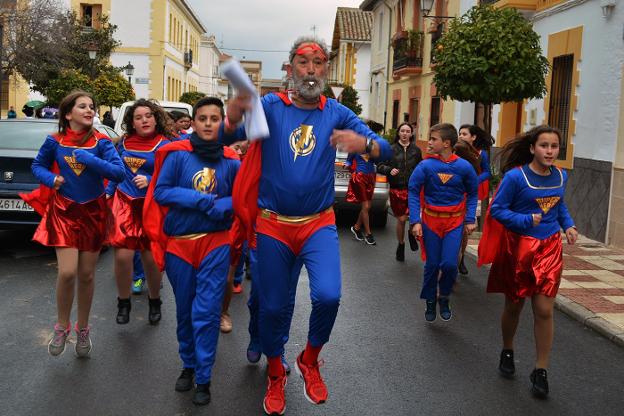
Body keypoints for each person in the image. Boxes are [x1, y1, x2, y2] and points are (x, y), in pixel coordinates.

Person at [223, 36, 391, 415]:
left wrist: (365, 144)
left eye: (318, 63)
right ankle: (276, 371)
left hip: (318, 224)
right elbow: (231, 133)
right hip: (272, 226)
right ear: (290, 69)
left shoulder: (336, 112)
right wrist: (235, 113)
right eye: (304, 62)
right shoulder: (270, 105)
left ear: (326, 71)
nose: (311, 70)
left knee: (329, 296)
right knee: (271, 307)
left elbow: (386, 147)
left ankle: (310, 358)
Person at [144, 97, 240, 406]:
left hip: (215, 243)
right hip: (180, 245)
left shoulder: (231, 160)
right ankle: (188, 363)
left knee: (207, 312)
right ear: (194, 122)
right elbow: (160, 191)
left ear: (222, 123)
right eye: (203, 118)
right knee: (185, 310)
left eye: (215, 118)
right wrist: (198, 200)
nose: (209, 123)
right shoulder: (175, 154)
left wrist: (226, 203)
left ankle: (205, 376)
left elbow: (245, 198)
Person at [21, 90, 124, 357]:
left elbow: (118, 172)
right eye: (82, 107)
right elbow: (38, 166)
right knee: (67, 273)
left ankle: (83, 328)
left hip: (93, 213)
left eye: (92, 106)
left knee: (87, 275)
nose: (90, 110)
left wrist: (89, 158)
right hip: (64, 212)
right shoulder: (54, 140)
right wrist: (50, 179)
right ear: (68, 114)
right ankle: (62, 325)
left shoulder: (102, 142)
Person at [478, 125, 577, 399]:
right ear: (533, 148)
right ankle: (507, 349)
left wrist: (568, 225)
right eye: (544, 145)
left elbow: (559, 206)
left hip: (549, 248)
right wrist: (523, 220)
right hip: (518, 249)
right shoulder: (515, 178)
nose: (549, 151)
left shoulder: (560, 175)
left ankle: (540, 370)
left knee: (544, 309)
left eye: (554, 146)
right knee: (514, 306)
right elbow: (497, 209)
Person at [107, 99, 170, 325]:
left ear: (156, 118)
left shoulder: (166, 144)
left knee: (151, 259)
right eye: (138, 117)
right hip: (124, 203)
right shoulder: (123, 143)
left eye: (148, 115)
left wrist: (151, 180)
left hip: (151, 206)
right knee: (123, 257)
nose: (144, 120)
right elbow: (117, 172)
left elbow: (174, 176)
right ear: (131, 123)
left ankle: (155, 301)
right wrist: (108, 192)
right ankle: (123, 302)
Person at [408, 123, 478, 322]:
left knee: (449, 264)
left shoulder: (464, 167)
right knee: (432, 265)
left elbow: (472, 193)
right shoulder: (425, 166)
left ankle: (444, 296)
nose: (429, 143)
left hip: (454, 223)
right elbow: (413, 191)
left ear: (446, 143)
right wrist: (415, 221)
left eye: (433, 139)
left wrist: (470, 219)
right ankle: (430, 299)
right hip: (430, 222)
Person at [377, 122, 422, 261]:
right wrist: (389, 170)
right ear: (398, 133)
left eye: (407, 131)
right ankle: (401, 244)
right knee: (402, 219)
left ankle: (410, 233)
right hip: (397, 190)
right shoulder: (391, 149)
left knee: (412, 218)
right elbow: (379, 165)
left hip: (413, 190)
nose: (405, 133)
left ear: (411, 134)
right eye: (402, 131)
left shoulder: (416, 150)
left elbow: (422, 167)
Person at [457, 124, 495, 274]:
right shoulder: (455, 150)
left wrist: (475, 180)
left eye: (464, 134)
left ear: (473, 137)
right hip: (455, 192)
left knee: (464, 229)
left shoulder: (481, 154)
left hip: (470, 193)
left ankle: (461, 258)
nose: (461, 136)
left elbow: (487, 172)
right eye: (460, 133)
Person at [345, 150, 378, 245]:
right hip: (360, 177)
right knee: (365, 206)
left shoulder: (373, 145)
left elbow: (377, 160)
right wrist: (347, 164)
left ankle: (356, 227)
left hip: (371, 177)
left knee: (367, 207)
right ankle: (368, 234)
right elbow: (349, 160)